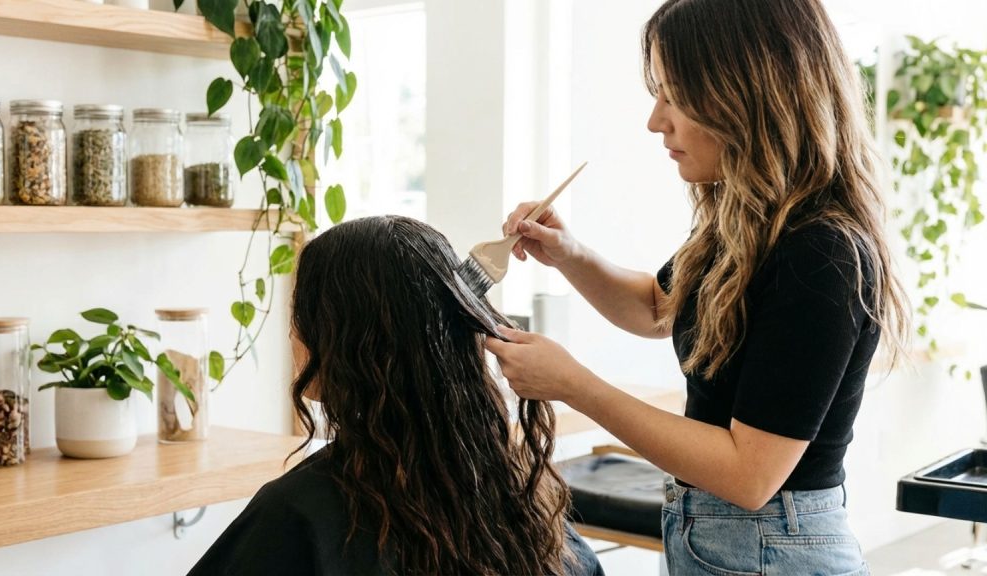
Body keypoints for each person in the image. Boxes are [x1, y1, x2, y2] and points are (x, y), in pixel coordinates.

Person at [486, 0, 909, 574]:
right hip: (716, 538)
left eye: (674, 96)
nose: (656, 121)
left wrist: (575, 386)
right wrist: (570, 255)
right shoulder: (743, 221)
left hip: (770, 549)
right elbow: (658, 309)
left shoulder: (819, 253)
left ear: (746, 94)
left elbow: (749, 475)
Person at [188, 215, 604, 576]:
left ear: (343, 345)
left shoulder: (299, 511)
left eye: (303, 314)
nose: (294, 332)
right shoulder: (520, 496)